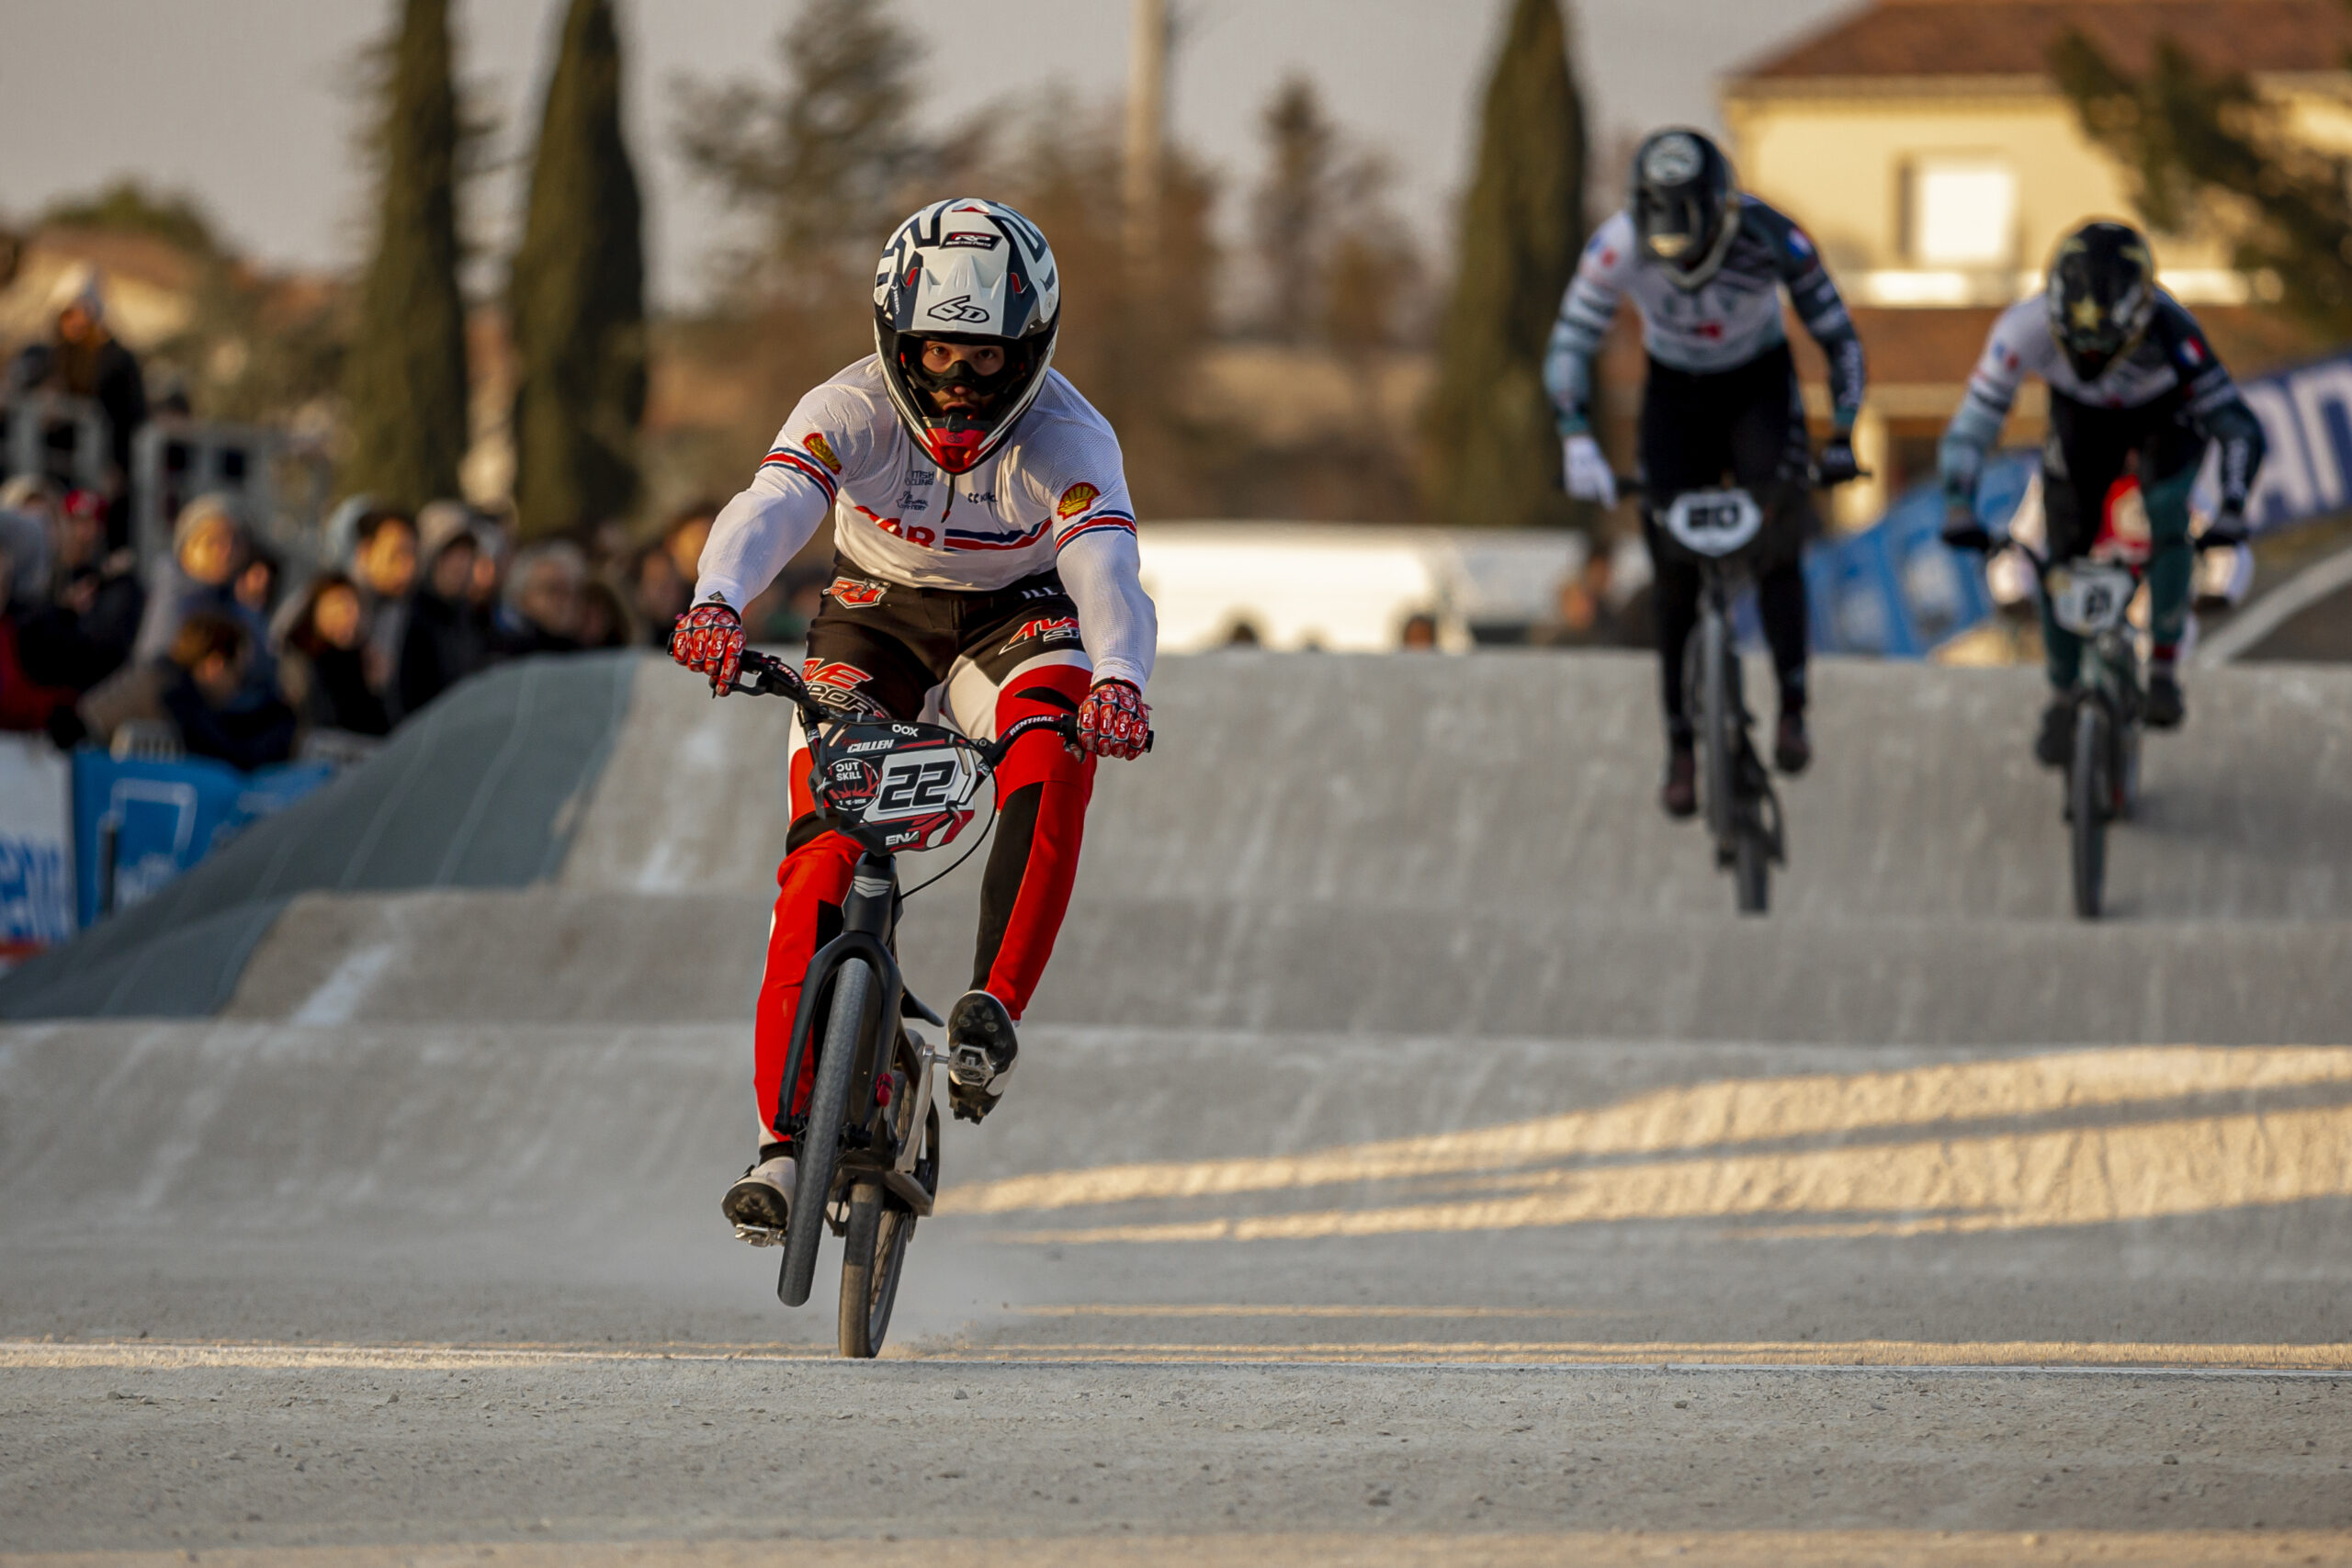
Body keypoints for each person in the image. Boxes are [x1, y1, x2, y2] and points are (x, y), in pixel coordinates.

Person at [671, 197, 1157, 1243]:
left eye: (986, 360)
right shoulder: (845, 406)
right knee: (814, 865)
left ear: (1032, 350)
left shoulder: (1071, 436)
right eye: (936, 351)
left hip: (1018, 616)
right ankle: (776, 1141)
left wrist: (1118, 675)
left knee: (1054, 741)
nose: (956, 381)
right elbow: (771, 508)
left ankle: (994, 1006)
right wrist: (718, 600)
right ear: (893, 337)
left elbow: (1107, 571)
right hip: (873, 616)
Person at [1546, 128, 1865, 818]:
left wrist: (1841, 435)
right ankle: (1681, 746)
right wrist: (1576, 438)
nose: (1680, 261)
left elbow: (1837, 337)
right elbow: (1571, 342)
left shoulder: (1772, 236)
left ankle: (1792, 706)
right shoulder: (1615, 246)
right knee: (1672, 573)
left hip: (1757, 386)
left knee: (1780, 543)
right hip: (1675, 395)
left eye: (1692, 246)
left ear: (1721, 215)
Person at [1939, 220, 2267, 750]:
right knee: (2060, 551)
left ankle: (2162, 669)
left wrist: (2232, 507)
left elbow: (2238, 429)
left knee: (2166, 508)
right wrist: (1957, 501)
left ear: (2140, 320)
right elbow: (1973, 425)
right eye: (2077, 346)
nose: (2090, 360)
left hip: (2164, 419)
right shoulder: (2021, 329)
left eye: (2104, 347)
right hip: (2082, 424)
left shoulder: (2176, 333)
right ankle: (2064, 693)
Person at [6, 267, 148, 550]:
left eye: (84, 312)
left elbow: (132, 417)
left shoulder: (117, 361)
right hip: (45, 463)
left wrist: (118, 466)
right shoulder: (45, 355)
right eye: (69, 313)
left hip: (94, 468)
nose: (77, 321)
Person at [398, 505, 492, 715]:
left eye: (467, 555)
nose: (460, 565)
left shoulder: (472, 619)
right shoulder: (408, 619)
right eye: (450, 555)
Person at [279, 571, 390, 738]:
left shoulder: (363, 658)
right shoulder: (298, 659)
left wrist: (379, 689)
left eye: (354, 605)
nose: (351, 614)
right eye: (340, 604)